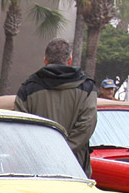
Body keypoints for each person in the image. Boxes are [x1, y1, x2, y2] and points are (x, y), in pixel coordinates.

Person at [15, 38, 97, 175]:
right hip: (74, 165)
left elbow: (20, 125)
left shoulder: (28, 88)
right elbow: (87, 125)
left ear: (45, 60)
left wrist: (43, 152)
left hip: (36, 165)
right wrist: (65, 149)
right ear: (69, 60)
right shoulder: (87, 87)